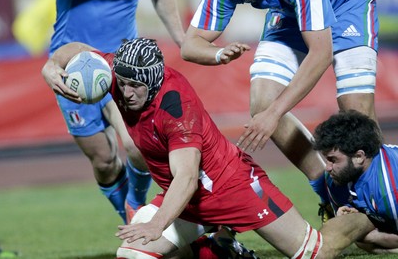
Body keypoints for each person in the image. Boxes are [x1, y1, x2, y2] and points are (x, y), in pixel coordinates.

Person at [46, 38, 376, 259]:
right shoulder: (120, 73)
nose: (127, 93)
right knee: (131, 254)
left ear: (155, 81)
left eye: (137, 86)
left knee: (314, 252)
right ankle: (221, 248)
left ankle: (365, 216)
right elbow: (73, 48)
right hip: (187, 200)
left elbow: (187, 177)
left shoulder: (176, 109)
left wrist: (156, 223)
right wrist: (50, 68)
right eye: (125, 83)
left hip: (230, 186)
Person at [180, 0, 378, 223]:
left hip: (346, 5)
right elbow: (190, 45)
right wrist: (219, 52)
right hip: (290, 14)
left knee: (357, 113)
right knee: (262, 104)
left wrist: (275, 114)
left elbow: (321, 53)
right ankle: (330, 192)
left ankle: (380, 199)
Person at [41, 0, 185, 224]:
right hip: (72, 68)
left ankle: (137, 204)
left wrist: (181, 37)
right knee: (104, 160)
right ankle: (134, 222)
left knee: (137, 146)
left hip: (122, 65)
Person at [313, 110, 398, 254]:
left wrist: (371, 237)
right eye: (326, 159)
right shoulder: (335, 178)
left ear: (359, 156)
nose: (327, 167)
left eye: (333, 159)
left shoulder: (390, 191)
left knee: (366, 239)